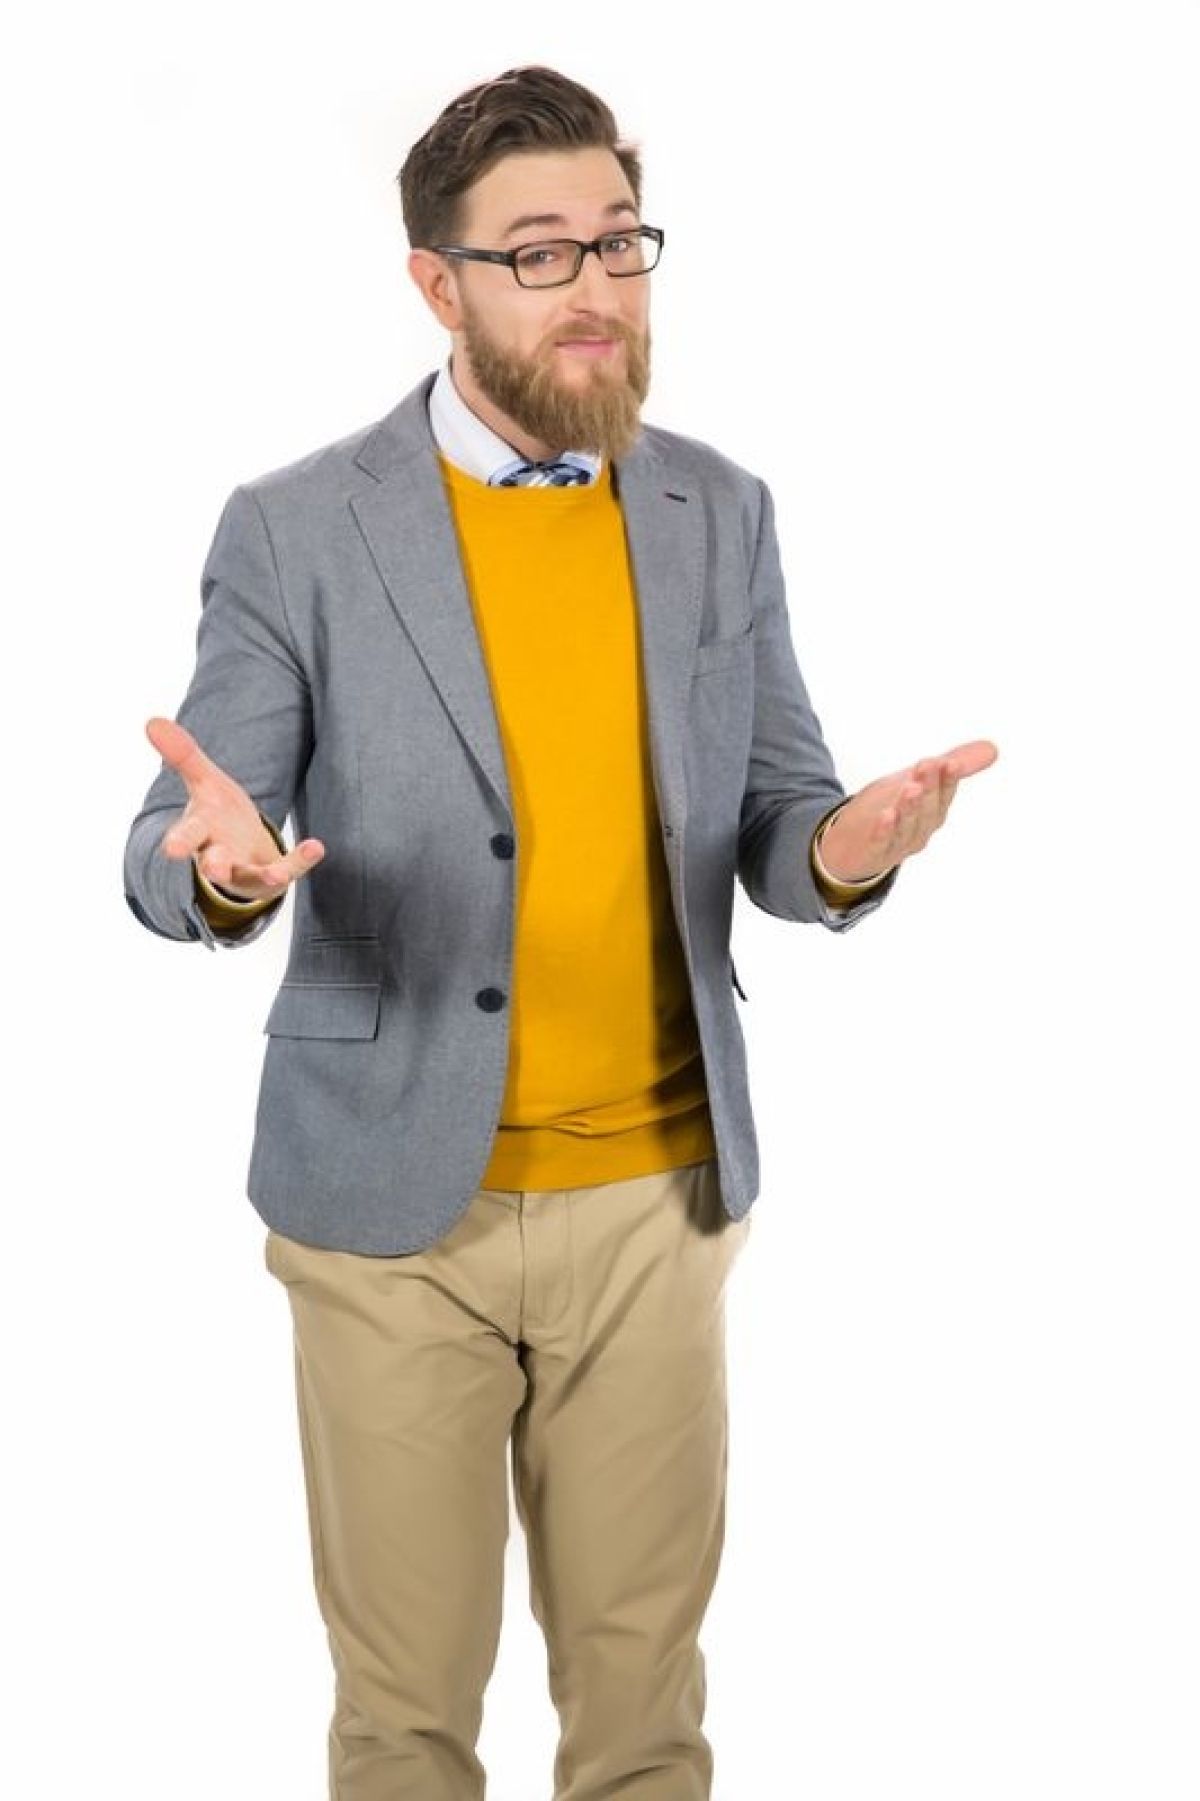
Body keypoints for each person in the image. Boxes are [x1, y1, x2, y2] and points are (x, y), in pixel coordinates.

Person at [123, 63, 997, 1801]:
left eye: (618, 240)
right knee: (403, 1723)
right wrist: (216, 868)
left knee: (647, 1720)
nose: (595, 285)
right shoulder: (296, 526)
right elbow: (181, 831)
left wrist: (846, 847)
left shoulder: (719, 509)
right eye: (538, 251)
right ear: (437, 283)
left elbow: (779, 817)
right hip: (389, 1216)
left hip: (658, 1204)